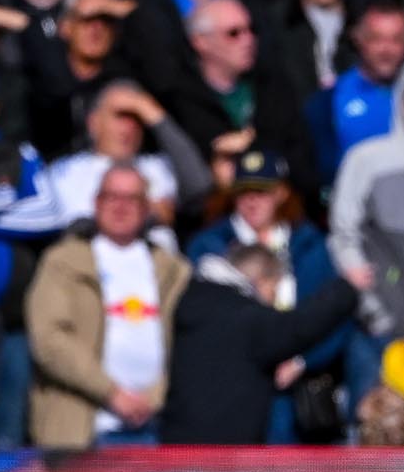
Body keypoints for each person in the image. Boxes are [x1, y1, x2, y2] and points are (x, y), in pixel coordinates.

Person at [23, 163, 190, 451]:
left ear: (147, 207)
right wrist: (111, 392)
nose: (121, 207)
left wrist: (154, 397)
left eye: (132, 199)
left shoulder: (173, 269)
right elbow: (48, 339)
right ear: (96, 203)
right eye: (112, 197)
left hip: (155, 426)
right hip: (81, 429)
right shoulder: (63, 262)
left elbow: (190, 342)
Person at [156, 244, 357, 446]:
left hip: (179, 445)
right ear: (260, 281)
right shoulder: (245, 316)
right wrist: (346, 289)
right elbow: (298, 327)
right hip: (224, 455)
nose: (274, 298)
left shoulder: (196, 300)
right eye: (274, 288)